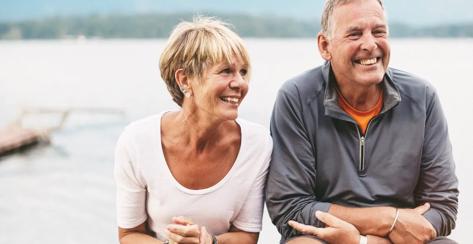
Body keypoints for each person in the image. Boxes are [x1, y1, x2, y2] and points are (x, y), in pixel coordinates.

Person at [265, 0, 459, 243]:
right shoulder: (296, 97)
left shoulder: (422, 97)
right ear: (325, 46)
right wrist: (389, 219)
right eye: (355, 34)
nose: (370, 44)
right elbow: (290, 208)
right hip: (327, 239)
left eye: (378, 32)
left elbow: (443, 207)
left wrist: (368, 241)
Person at [114, 17, 272, 244]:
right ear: (185, 79)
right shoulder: (136, 142)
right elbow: (129, 235)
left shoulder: (257, 144)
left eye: (243, 72)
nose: (240, 83)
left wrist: (211, 242)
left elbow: (247, 236)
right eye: (226, 71)